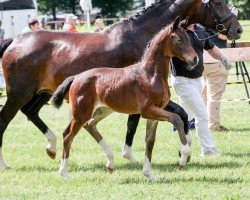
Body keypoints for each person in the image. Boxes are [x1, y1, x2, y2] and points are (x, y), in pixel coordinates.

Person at [171, 23, 232, 156]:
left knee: (186, 116)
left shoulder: (200, 30)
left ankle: (184, 146)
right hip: (182, 81)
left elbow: (210, 47)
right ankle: (208, 149)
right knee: (202, 114)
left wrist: (222, 58)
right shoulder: (178, 32)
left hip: (197, 81)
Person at [202, 7, 239, 132]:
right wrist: (233, 16)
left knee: (204, 94)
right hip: (216, 57)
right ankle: (214, 126)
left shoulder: (201, 11)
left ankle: (203, 123)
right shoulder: (218, 14)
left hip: (202, 58)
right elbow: (223, 36)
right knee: (215, 95)